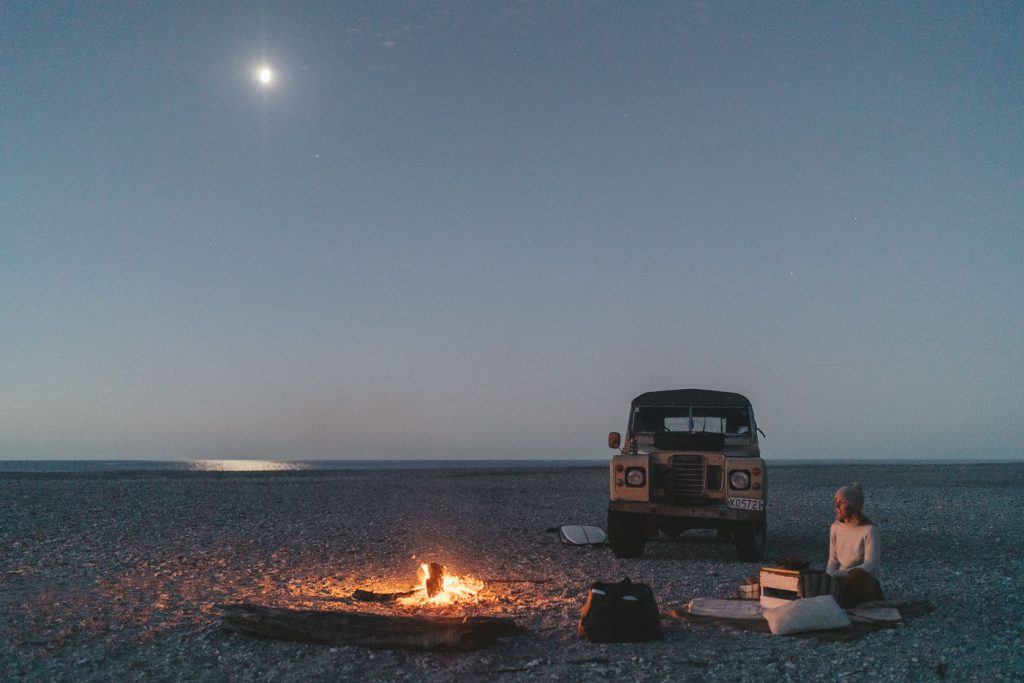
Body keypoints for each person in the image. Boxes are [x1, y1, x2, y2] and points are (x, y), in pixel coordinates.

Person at [826, 483, 883, 607]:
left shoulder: (869, 530)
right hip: (840, 580)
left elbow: (871, 565)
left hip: (864, 583)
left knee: (858, 575)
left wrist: (840, 574)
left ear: (853, 506)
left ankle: (839, 600)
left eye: (842, 502)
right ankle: (833, 598)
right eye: (836, 502)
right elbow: (833, 560)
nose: (836, 506)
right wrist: (829, 580)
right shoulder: (835, 528)